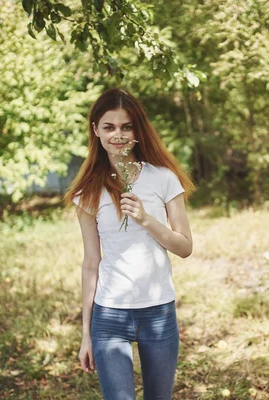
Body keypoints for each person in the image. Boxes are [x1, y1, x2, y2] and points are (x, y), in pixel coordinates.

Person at [64, 88, 195, 400]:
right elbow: (90, 263)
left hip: (158, 312)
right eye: (109, 127)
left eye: (126, 127)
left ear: (138, 130)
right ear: (95, 130)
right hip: (109, 315)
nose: (118, 135)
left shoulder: (164, 178)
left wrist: (146, 219)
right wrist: (86, 335)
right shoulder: (88, 191)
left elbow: (185, 247)